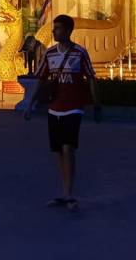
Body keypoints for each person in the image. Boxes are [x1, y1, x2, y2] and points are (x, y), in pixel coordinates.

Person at [23, 14, 101, 211]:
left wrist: (96, 104)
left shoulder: (80, 53)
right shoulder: (49, 54)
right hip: (54, 108)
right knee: (58, 150)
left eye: (57, 28)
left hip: (74, 107)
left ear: (68, 31)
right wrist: (31, 104)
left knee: (68, 148)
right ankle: (64, 191)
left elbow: (91, 77)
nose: (54, 31)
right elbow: (41, 79)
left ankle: (69, 193)